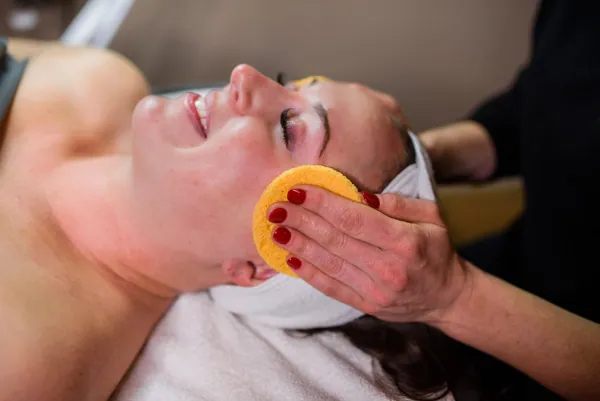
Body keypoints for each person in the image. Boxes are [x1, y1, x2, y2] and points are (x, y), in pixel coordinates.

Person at [1, 38, 466, 401]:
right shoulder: (100, 81)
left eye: (290, 128)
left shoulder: (28, 359)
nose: (246, 76)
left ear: (263, 264)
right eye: (289, 82)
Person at [269, 1, 600, 400]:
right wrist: (417, 159)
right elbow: (550, 100)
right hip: (526, 259)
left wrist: (457, 297)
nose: (242, 78)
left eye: (289, 129)